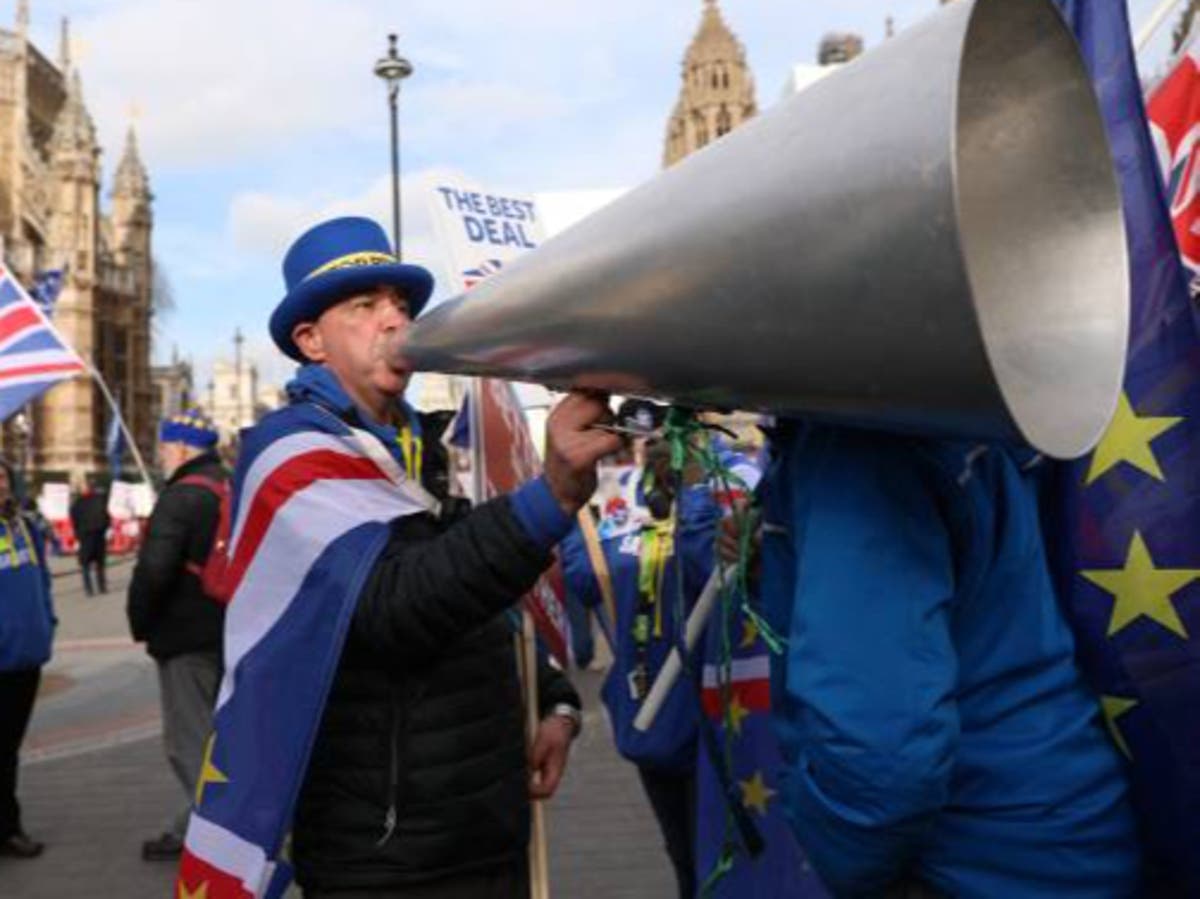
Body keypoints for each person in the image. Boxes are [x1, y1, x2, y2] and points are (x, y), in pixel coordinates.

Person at [180, 217, 621, 899]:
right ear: (310, 340)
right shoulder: (293, 454)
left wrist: (555, 700)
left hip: (485, 825)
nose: (395, 318)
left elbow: (483, 600)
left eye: (402, 303)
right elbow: (397, 605)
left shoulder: (425, 446)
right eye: (364, 305)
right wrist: (551, 496)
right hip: (387, 854)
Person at [744, 421, 1141, 897]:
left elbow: (880, 764)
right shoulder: (957, 414)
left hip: (977, 862)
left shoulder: (854, 441)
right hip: (1062, 831)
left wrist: (839, 862)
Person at [561, 400, 722, 899]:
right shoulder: (635, 517)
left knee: (699, 852)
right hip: (682, 712)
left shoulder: (621, 549)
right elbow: (584, 575)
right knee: (700, 852)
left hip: (684, 717)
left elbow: (582, 577)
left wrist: (696, 490)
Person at [126, 409, 227, 861]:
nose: (163, 453)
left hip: (186, 635)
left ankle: (222, 843)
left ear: (183, 446)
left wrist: (141, 622)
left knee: (189, 744)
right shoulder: (232, 486)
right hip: (230, 629)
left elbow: (154, 570)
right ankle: (190, 829)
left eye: (167, 445)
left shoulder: (181, 496)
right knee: (216, 737)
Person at [0, 456, 53, 859]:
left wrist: (47, 622)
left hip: (25, 659)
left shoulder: (27, 526)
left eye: (3, 477)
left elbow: (43, 580)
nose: (1, 485)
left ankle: (7, 827)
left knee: (8, 749)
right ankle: (8, 828)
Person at [68, 478, 109, 596]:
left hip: (85, 536)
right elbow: (106, 517)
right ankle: (102, 586)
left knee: (85, 564)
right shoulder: (100, 500)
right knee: (100, 563)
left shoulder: (77, 503)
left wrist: (78, 535)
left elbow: (74, 520)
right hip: (98, 535)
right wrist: (104, 529)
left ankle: (88, 589)